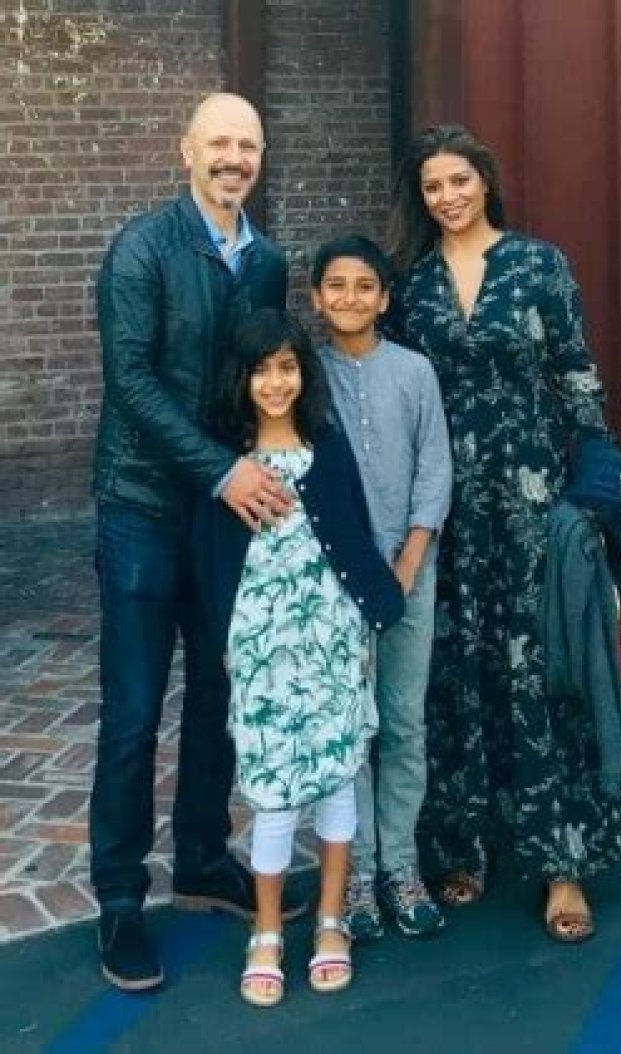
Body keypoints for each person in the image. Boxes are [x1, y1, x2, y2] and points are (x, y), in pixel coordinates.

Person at [385, 125, 621, 942]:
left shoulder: (538, 265)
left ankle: (563, 866)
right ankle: (465, 844)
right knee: (457, 670)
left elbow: (576, 374)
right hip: (446, 508)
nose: (447, 197)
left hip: (532, 498)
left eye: (459, 181)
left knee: (540, 671)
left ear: (485, 182)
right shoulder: (413, 285)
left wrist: (590, 492)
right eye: (432, 186)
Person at [91, 93, 305, 993]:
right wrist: (223, 470)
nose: (233, 158)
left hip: (225, 516)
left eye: (247, 145)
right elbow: (131, 381)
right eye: (219, 142)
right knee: (134, 712)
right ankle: (118, 900)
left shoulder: (268, 262)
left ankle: (203, 861)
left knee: (220, 693)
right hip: (142, 506)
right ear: (187, 151)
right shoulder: (142, 248)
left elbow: (260, 377)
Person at [193, 308, 404, 1006]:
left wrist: (367, 630)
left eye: (287, 368)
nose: (275, 383)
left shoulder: (328, 449)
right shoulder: (228, 467)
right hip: (262, 648)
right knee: (273, 788)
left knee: (339, 778)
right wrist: (226, 644)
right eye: (261, 370)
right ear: (241, 379)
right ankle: (266, 930)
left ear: (304, 375)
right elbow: (211, 563)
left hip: (332, 641)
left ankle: (331, 918)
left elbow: (357, 538)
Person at [310, 235, 452, 940]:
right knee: (350, 730)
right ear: (316, 297)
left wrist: (409, 560)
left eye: (365, 286)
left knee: (401, 721)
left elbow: (435, 467)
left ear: (385, 298)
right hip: (336, 582)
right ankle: (358, 871)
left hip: (408, 574)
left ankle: (401, 863)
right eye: (336, 285)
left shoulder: (413, 371)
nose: (350, 298)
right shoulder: (306, 377)